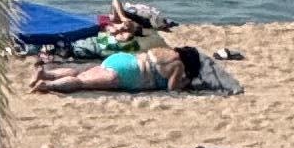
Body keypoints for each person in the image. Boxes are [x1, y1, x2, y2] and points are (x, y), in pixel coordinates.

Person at [35, 38, 204, 95]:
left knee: (80, 72)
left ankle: (46, 74)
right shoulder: (178, 65)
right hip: (128, 73)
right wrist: (184, 83)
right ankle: (48, 85)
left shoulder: (164, 50)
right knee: (81, 82)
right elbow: (172, 89)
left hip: (120, 59)